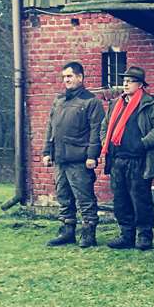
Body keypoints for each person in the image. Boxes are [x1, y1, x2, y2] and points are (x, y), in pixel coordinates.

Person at [101, 66, 154, 251]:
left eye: (130, 81)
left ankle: (144, 235)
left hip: (140, 160)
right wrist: (105, 142)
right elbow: (105, 127)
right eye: (124, 81)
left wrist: (143, 143)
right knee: (120, 199)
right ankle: (126, 235)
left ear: (140, 84)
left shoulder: (151, 104)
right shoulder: (116, 104)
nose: (125, 84)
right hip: (117, 160)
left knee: (141, 199)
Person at [42, 61, 103, 248]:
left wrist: (92, 155)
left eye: (69, 76)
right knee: (63, 196)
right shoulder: (59, 101)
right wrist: (47, 151)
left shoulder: (91, 102)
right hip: (60, 158)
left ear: (80, 77)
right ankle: (67, 231)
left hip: (80, 160)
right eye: (64, 77)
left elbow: (96, 131)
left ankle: (88, 233)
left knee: (84, 198)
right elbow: (51, 127)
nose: (66, 80)